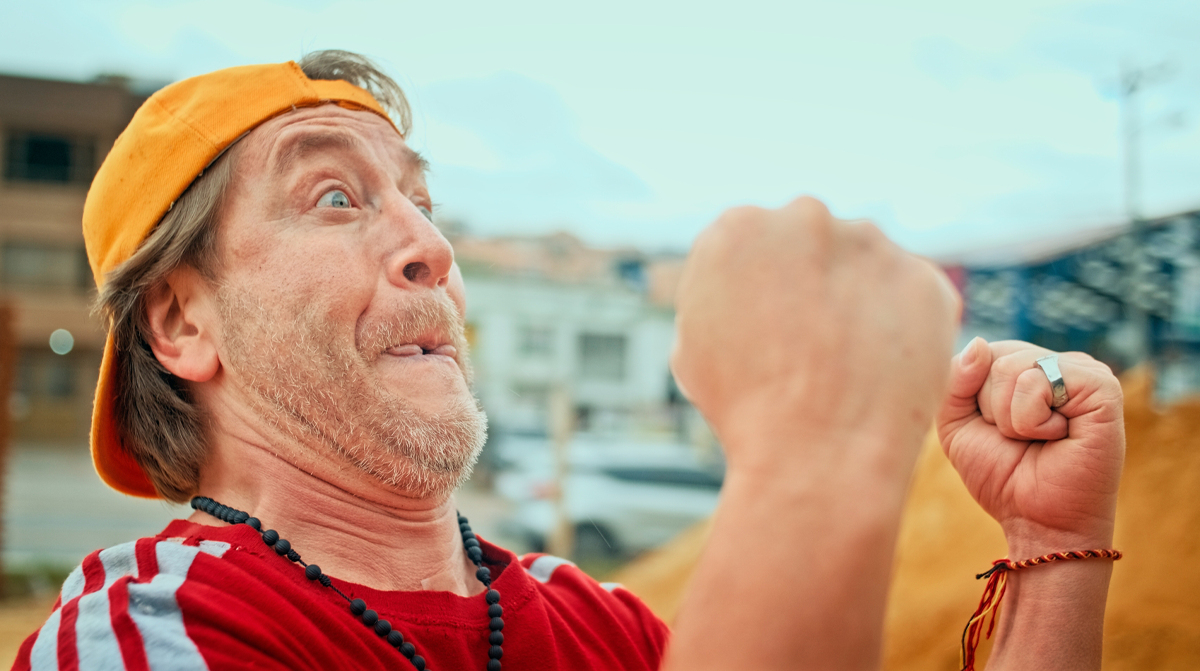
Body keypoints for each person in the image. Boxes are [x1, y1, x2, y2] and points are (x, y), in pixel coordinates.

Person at [13, 50, 1124, 671]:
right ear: (181, 323)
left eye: (423, 199)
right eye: (336, 196)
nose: (433, 246)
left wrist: (1053, 548)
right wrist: (810, 448)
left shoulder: (601, 625)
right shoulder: (148, 637)